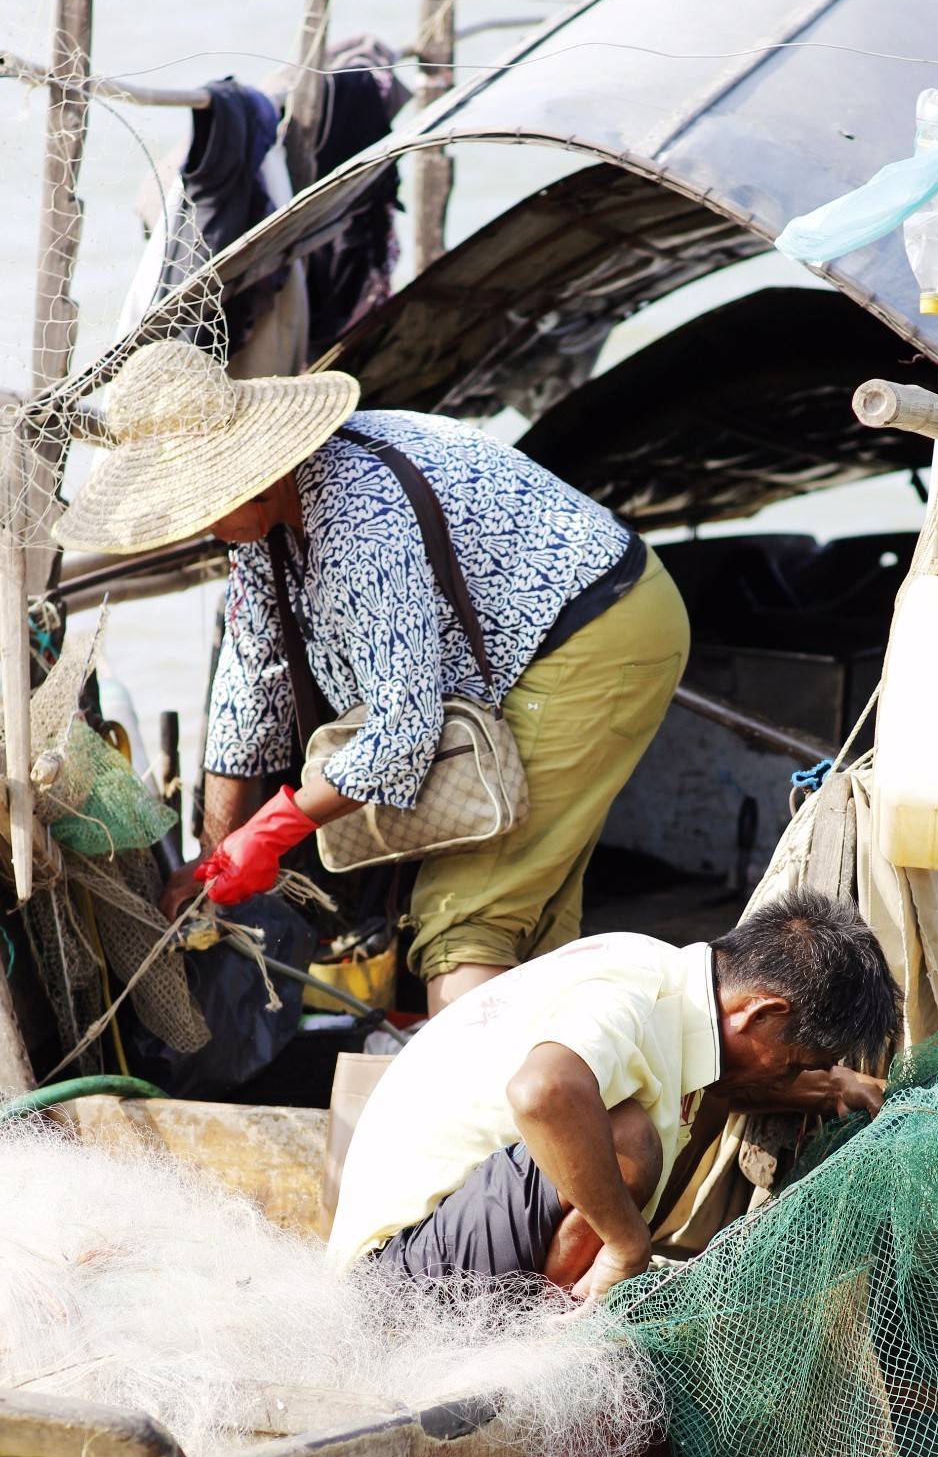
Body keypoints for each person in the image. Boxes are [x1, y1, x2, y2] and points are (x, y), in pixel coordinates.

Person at [54, 339, 690, 1013]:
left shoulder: (358, 519)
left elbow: (403, 736)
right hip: (534, 640)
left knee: (463, 922)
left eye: (201, 505)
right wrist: (213, 857)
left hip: (597, 631)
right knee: (525, 912)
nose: (201, 528)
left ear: (251, 475)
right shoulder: (263, 528)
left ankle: (474, 1106)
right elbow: (249, 692)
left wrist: (271, 830)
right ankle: (562, 1094)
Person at [328, 888, 902, 1301]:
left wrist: (828, 1087)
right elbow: (544, 1092)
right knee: (628, 1137)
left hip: (451, 1242)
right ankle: (541, 1330)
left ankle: (567, 1296)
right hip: (396, 1279)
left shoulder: (678, 987)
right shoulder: (636, 990)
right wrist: (627, 1246)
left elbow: (734, 1078)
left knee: (706, 1096)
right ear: (761, 1012)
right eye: (795, 1063)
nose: (786, 1079)